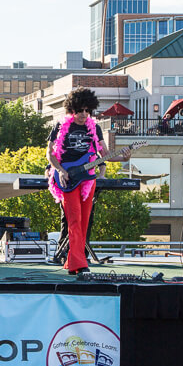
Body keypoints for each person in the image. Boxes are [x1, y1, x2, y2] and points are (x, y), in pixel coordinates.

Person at [47, 87, 130, 275]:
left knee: (84, 222)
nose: (84, 114)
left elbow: (105, 155)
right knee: (74, 221)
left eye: (87, 111)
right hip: (67, 178)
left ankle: (73, 262)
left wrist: (123, 158)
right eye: (80, 110)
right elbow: (50, 154)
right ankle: (79, 264)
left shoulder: (95, 128)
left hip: (88, 180)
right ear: (72, 110)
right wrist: (60, 171)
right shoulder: (60, 127)